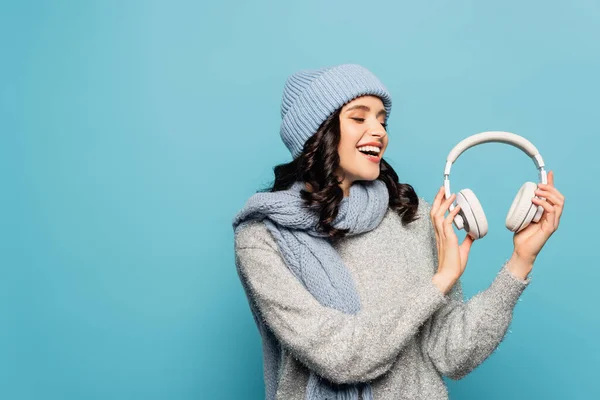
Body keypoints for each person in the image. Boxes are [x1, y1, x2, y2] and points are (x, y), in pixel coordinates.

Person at [231, 64, 564, 400]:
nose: (379, 131)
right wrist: (438, 283)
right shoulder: (262, 238)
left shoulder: (411, 216)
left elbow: (451, 354)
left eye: (382, 120)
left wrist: (520, 261)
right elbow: (340, 357)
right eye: (359, 118)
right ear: (318, 132)